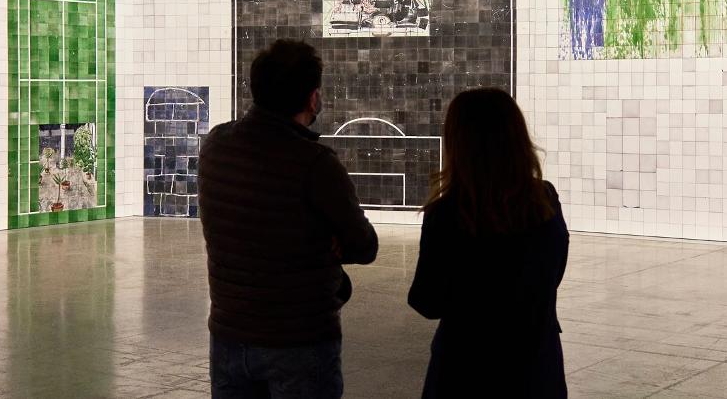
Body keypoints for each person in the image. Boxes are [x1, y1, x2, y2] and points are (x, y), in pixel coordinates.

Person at [199, 39, 379, 399]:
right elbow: (364, 245)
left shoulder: (216, 144)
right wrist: (327, 241)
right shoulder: (315, 163)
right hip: (299, 341)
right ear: (313, 99)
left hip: (229, 337)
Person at [408, 87, 570, 398]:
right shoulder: (545, 200)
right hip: (537, 366)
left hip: (465, 370)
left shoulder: (447, 213)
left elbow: (427, 301)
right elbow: (553, 273)